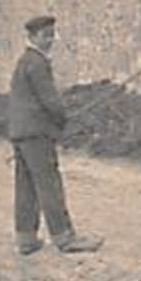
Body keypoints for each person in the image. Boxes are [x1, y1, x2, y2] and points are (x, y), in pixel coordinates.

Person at [8, 14, 101, 255]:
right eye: (45, 35)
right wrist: (65, 118)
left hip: (20, 132)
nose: (50, 40)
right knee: (49, 184)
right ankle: (64, 238)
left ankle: (26, 238)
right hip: (37, 134)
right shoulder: (38, 63)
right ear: (32, 37)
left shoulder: (24, 61)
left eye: (52, 35)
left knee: (26, 185)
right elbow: (51, 101)